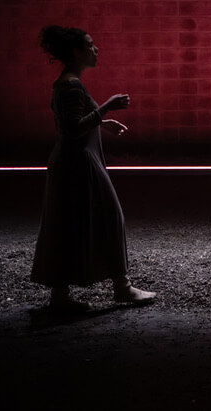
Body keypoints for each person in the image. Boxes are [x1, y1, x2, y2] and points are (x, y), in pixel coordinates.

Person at [31, 26, 155, 311]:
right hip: (79, 164)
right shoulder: (71, 85)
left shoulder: (67, 82)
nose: (95, 49)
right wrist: (106, 108)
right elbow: (72, 128)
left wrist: (101, 123)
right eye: (89, 45)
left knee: (66, 225)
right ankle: (122, 287)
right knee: (110, 217)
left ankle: (60, 296)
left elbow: (73, 121)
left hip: (72, 163)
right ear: (76, 52)